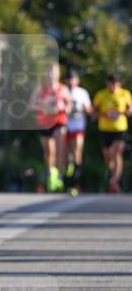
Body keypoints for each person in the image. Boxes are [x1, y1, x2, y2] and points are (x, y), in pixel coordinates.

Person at [30, 63, 71, 192]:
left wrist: (63, 109)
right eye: (49, 71)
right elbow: (31, 105)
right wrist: (44, 108)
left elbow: (69, 103)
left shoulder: (62, 89)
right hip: (44, 123)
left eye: (54, 72)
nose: (51, 74)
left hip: (59, 121)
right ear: (46, 73)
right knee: (49, 153)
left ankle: (59, 176)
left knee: (60, 150)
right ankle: (50, 174)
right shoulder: (40, 88)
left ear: (58, 73)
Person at [92, 73, 132, 194]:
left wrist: (121, 113)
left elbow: (130, 109)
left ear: (119, 83)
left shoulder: (125, 94)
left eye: (116, 83)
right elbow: (93, 112)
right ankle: (112, 176)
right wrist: (105, 114)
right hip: (105, 129)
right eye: (111, 83)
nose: (113, 85)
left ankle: (114, 181)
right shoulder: (101, 94)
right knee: (108, 157)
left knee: (116, 152)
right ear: (107, 83)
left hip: (120, 129)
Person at [63, 68, 92, 195]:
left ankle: (76, 183)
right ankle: (67, 182)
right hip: (65, 127)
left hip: (78, 127)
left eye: (73, 78)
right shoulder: (62, 91)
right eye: (68, 79)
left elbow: (90, 110)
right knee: (67, 157)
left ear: (77, 80)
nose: (71, 81)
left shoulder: (82, 93)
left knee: (77, 153)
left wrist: (85, 108)